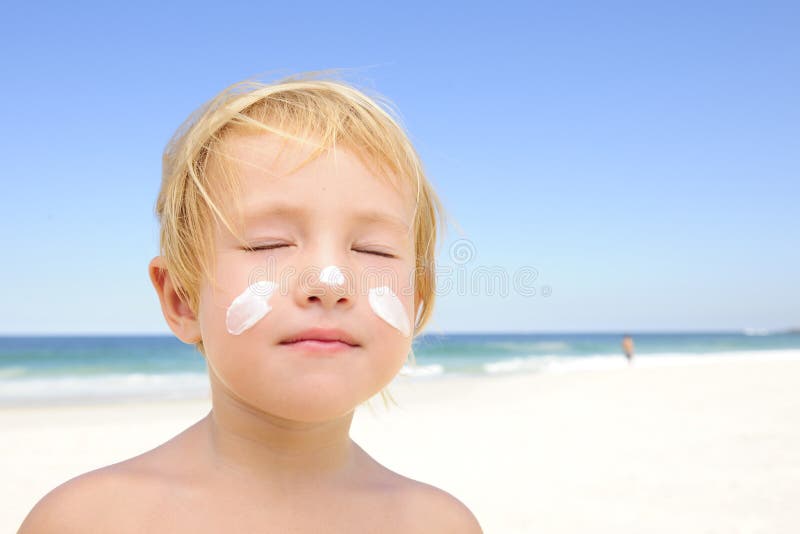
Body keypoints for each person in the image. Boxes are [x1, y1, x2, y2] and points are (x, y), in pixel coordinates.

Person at [19, 72, 483, 533]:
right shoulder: (85, 521)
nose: (329, 280)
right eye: (269, 244)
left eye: (373, 250)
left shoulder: (442, 524)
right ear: (181, 298)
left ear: (417, 304)